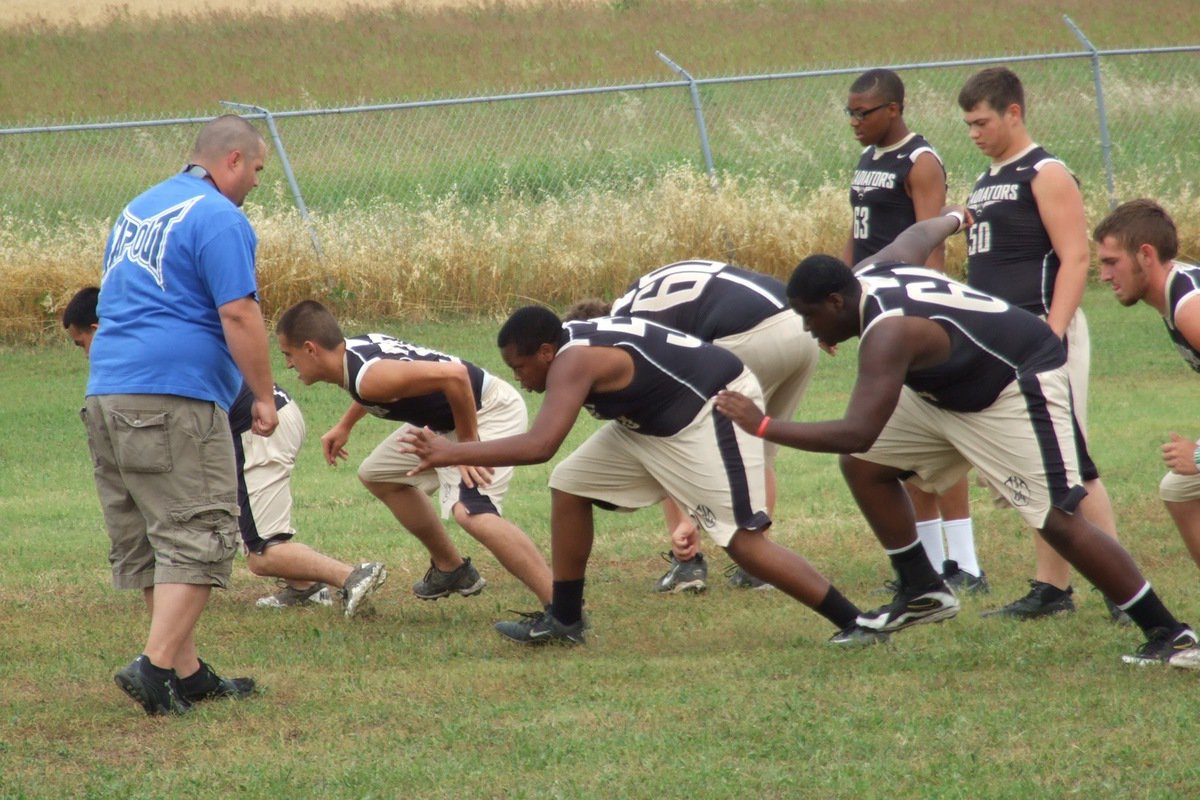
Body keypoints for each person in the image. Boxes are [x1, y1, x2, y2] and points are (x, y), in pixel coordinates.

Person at [713, 210, 1200, 668]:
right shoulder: (871, 272)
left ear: (837, 302)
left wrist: (761, 424)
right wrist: (951, 218)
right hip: (949, 389)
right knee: (863, 464)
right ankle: (923, 590)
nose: (806, 327)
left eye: (809, 316)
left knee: (1056, 519)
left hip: (1015, 381)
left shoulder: (889, 332)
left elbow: (859, 426)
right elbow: (913, 239)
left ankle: (1169, 633)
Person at [401, 305, 887, 648]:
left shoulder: (574, 361)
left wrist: (453, 452)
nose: (521, 378)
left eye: (521, 366)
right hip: (651, 423)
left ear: (547, 351)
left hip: (711, 407)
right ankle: (566, 619)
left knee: (744, 543)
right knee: (570, 484)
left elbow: (540, 445)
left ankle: (858, 622)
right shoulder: (569, 348)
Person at [83, 114, 275, 716]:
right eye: (258, 171)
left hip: (108, 392)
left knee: (154, 538)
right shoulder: (220, 218)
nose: (257, 183)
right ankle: (155, 664)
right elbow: (239, 314)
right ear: (234, 160)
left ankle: (185, 676)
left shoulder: (138, 208)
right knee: (204, 531)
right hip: (174, 396)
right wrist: (264, 395)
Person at [63, 287, 388, 618]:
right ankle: (303, 588)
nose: (87, 355)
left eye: (81, 344)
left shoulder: (141, 353)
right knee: (250, 530)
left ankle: (352, 576)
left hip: (258, 428)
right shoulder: (157, 335)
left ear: (97, 329)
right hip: (252, 425)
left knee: (263, 554)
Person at [958, 66, 1126, 621]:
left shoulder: (1045, 171)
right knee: (1040, 464)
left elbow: (1076, 259)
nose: (975, 132)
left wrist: (1051, 334)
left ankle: (1122, 587)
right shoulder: (986, 180)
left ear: (1014, 112)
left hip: (1041, 337)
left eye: (982, 121)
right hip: (1003, 343)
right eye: (968, 124)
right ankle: (1053, 588)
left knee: (1072, 462)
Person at [274, 300, 553, 611]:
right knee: (377, 474)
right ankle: (451, 569)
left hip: (486, 412)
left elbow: (456, 377)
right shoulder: (350, 356)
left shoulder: (369, 377)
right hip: (442, 423)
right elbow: (378, 387)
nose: (288, 364)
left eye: (289, 354)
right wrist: (345, 425)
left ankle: (561, 606)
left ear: (311, 349)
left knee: (472, 512)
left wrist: (465, 449)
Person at [583, 258, 819, 593]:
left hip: (746, 335)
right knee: (759, 449)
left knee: (668, 434)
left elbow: (668, 422)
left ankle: (688, 565)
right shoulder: (642, 290)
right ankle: (761, 567)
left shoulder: (619, 330)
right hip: (801, 327)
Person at [843, 68, 984, 593]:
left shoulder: (919, 160)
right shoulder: (868, 159)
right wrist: (842, 292)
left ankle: (965, 564)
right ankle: (927, 567)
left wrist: (925, 313)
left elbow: (932, 241)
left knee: (938, 437)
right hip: (873, 306)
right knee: (905, 444)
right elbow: (855, 236)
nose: (855, 121)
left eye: (864, 112)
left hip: (909, 313)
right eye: (850, 113)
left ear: (894, 110)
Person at [1094, 199, 1200, 572]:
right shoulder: (1176, 293)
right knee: (1179, 489)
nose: (1104, 276)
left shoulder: (1190, 309)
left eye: (1111, 262)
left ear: (1145, 255)